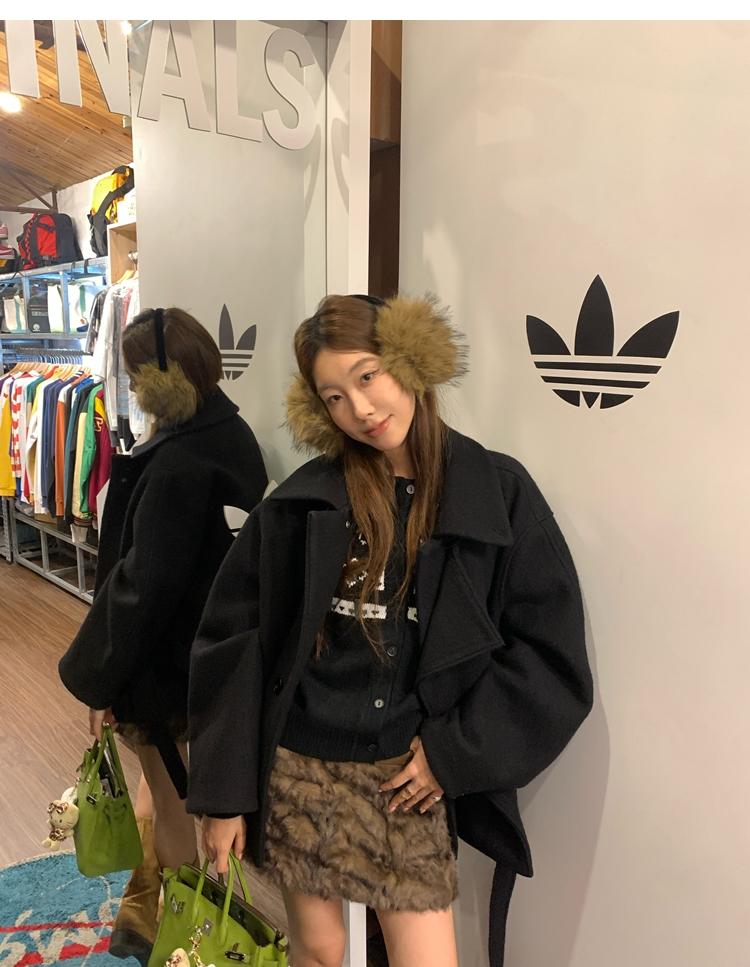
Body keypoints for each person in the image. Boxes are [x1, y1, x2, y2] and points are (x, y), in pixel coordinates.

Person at [187, 294, 593, 967]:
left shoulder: (496, 493)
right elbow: (234, 642)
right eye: (335, 396)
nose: (361, 408)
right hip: (301, 766)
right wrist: (222, 795)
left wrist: (453, 754)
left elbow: (550, 654)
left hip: (405, 779)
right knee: (318, 951)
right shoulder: (304, 503)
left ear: (409, 359)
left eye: (368, 375)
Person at [59, 307, 268, 966]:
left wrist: (97, 676)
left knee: (175, 804)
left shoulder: (178, 461)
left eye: (134, 374)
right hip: (211, 657)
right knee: (170, 787)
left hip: (164, 664)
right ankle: (146, 911)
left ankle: (180, 937)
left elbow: (142, 587)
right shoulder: (230, 435)